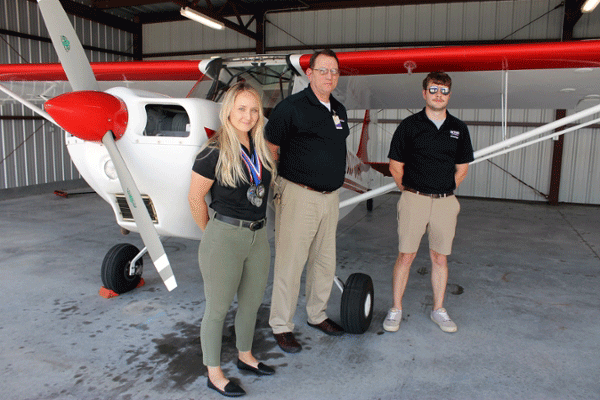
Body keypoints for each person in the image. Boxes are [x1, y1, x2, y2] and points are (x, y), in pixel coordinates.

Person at [188, 82, 277, 397]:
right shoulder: (214, 149)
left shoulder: (260, 148)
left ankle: (245, 356)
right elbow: (195, 198)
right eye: (241, 108)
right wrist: (212, 235)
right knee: (217, 308)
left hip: (258, 238)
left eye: (254, 110)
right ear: (228, 110)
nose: (248, 115)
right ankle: (213, 372)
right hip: (225, 237)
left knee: (251, 304)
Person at [265, 49, 349, 353]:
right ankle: (281, 325)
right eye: (323, 70)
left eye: (334, 71)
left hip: (330, 197)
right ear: (309, 73)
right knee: (290, 263)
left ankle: (317, 315)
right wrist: (280, 182)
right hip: (300, 194)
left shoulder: (338, 108)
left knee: (324, 262)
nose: (329, 76)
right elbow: (271, 145)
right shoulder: (291, 107)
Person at [384, 71, 474, 334]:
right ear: (424, 93)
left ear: (449, 94)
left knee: (440, 258)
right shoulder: (409, 126)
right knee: (406, 255)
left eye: (444, 90)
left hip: (446, 202)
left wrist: (445, 190)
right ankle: (396, 308)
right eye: (433, 90)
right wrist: (410, 191)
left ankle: (438, 309)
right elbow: (395, 165)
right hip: (414, 199)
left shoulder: (459, 128)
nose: (438, 95)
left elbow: (462, 168)